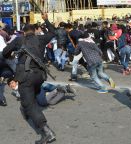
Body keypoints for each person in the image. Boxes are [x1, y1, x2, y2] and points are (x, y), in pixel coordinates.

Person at [2, 13, 57, 143]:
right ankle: (27, 109)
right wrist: (46, 20)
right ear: (34, 31)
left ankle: (47, 132)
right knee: (31, 95)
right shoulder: (41, 39)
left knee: (30, 103)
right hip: (40, 75)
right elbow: (53, 32)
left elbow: (5, 52)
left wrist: (10, 54)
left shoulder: (19, 39)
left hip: (26, 76)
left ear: (24, 32)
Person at [7, 77, 76, 107]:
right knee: (51, 102)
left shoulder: (21, 84)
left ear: (16, 82)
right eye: (10, 85)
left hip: (38, 87)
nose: (11, 85)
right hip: (38, 89)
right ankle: (63, 91)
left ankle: (59, 89)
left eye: (12, 83)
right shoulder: (17, 92)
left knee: (42, 102)